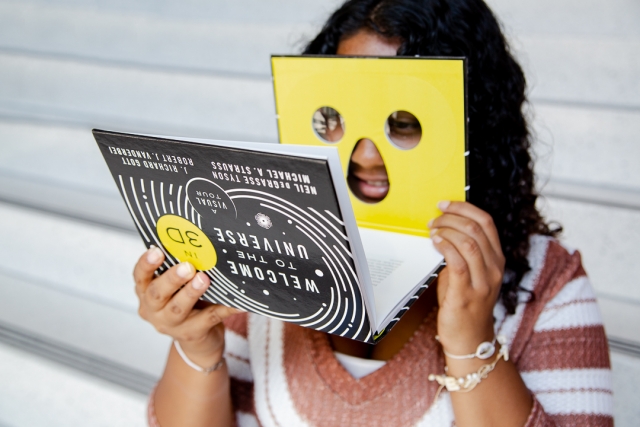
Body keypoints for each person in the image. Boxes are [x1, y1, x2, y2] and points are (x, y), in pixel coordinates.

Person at [134, 1, 613, 426]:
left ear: (476, 125)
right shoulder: (273, 249)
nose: (364, 154)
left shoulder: (547, 286)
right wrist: (198, 347)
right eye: (335, 119)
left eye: (403, 124)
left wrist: (471, 342)